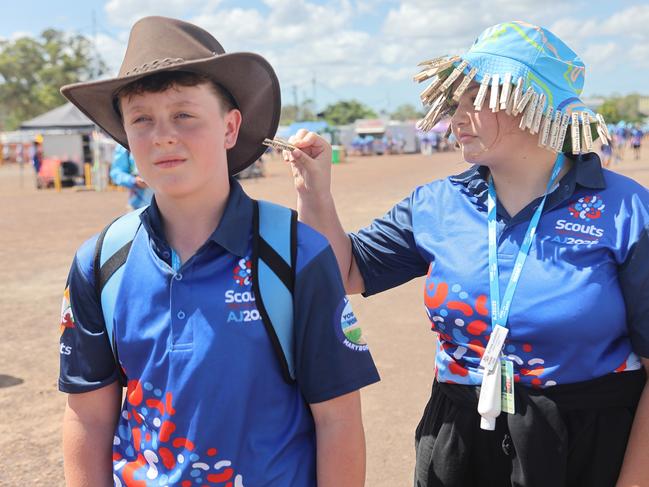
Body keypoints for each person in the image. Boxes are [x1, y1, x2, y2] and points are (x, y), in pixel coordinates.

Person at [285, 21, 649, 487]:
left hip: (586, 445)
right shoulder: (437, 204)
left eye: (477, 99)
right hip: (459, 438)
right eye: (456, 103)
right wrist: (315, 194)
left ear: (532, 101)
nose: (456, 118)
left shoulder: (624, 210)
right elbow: (345, 272)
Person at [57, 16, 379, 486]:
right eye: (141, 119)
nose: (163, 135)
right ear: (125, 137)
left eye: (184, 114)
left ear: (230, 127)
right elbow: (88, 416)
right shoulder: (100, 262)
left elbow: (339, 419)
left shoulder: (296, 254)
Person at [109, 144, 153, 209]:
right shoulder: (123, 145)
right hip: (139, 206)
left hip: (169, 207)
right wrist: (133, 181)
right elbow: (116, 173)